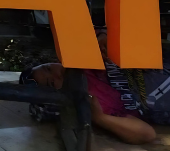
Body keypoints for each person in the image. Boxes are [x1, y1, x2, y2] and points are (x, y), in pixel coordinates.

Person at [24, 62, 158, 144]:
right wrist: (101, 118)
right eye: (52, 82)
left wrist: (103, 36)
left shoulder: (84, 60)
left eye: (48, 68)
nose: (57, 75)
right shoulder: (93, 104)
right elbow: (147, 134)